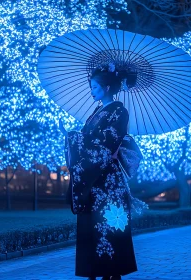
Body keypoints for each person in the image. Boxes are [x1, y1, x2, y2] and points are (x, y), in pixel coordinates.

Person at [59, 64, 143, 280]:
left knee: (108, 226)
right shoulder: (97, 112)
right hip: (93, 180)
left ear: (107, 87)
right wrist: (74, 137)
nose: (92, 91)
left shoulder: (119, 111)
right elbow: (91, 141)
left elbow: (106, 142)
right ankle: (94, 273)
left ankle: (110, 274)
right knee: (91, 226)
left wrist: (73, 137)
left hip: (108, 182)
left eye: (95, 87)